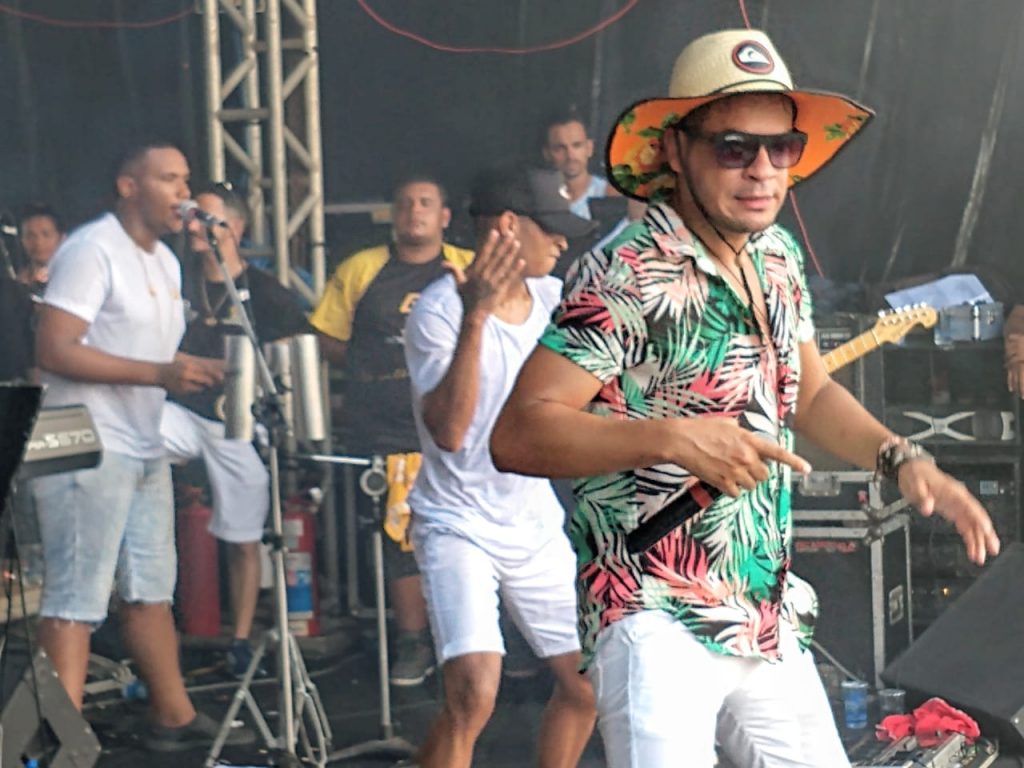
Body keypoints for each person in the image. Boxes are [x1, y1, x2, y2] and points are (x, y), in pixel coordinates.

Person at [491, 30, 1001, 768]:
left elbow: (811, 391)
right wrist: (675, 437)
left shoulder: (777, 257)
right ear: (676, 149)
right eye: (734, 147)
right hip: (652, 608)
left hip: (761, 608)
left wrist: (903, 459)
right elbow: (518, 434)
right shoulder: (627, 273)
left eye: (781, 147)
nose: (762, 169)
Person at [33, 140, 251, 751]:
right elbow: (53, 349)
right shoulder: (92, 249)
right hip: (77, 434)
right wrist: (160, 374)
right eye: (169, 180)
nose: (184, 194)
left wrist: (192, 369)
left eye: (186, 180)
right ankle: (59, 742)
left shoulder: (165, 263)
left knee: (151, 587)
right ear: (129, 187)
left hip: (140, 437)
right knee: (75, 598)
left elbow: (144, 351)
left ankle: (172, 716)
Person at [404, 166, 596, 768]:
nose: (562, 241)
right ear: (509, 227)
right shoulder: (438, 311)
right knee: (473, 693)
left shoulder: (555, 299)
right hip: (457, 522)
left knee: (588, 687)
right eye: (551, 228)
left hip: (532, 521)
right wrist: (476, 317)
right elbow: (450, 432)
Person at [310, 176, 473, 686]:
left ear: (445, 216)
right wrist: (373, 366)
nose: (414, 211)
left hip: (460, 429)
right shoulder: (361, 268)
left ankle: (486, 645)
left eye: (426, 203)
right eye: (404, 203)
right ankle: (413, 641)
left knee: (473, 531)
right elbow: (326, 336)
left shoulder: (468, 266)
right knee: (400, 537)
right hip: (387, 429)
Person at [160, 182, 310, 677]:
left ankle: (240, 640)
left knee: (244, 537)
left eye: (206, 217)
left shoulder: (265, 292)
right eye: (192, 217)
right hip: (180, 412)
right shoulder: (174, 280)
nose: (194, 226)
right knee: (129, 440)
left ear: (236, 228)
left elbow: (294, 361)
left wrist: (241, 372)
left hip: (238, 423)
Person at [541, 106, 618, 219]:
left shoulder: (610, 194)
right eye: (560, 148)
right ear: (547, 154)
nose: (570, 155)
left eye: (577, 145)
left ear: (589, 148)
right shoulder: (539, 202)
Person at [17, 202, 66, 293]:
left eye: (46, 235)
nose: (38, 243)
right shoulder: (16, 283)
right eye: (30, 236)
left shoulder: (72, 276)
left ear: (62, 238)